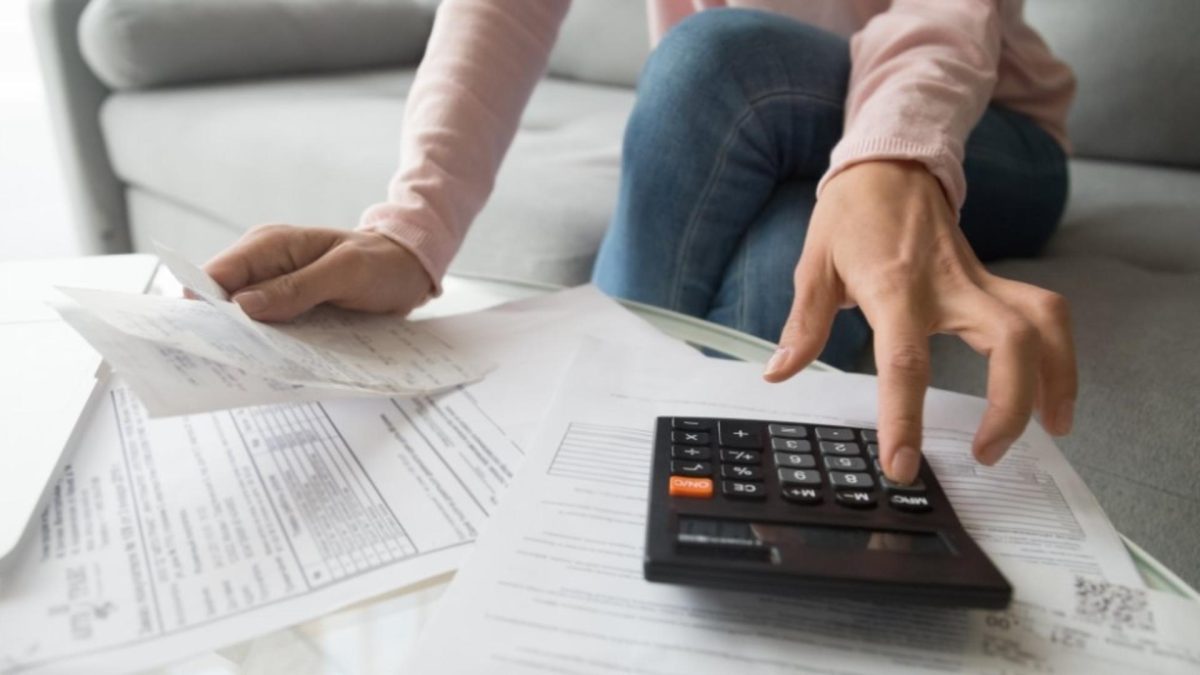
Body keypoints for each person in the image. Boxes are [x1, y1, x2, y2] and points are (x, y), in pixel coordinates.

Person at [201, 0, 1078, 486]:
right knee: (784, 265)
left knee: (712, 56)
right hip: (776, 140)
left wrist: (889, 162)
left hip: (980, 126)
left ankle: (582, 475)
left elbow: (945, 14)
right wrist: (409, 233)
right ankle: (656, 518)